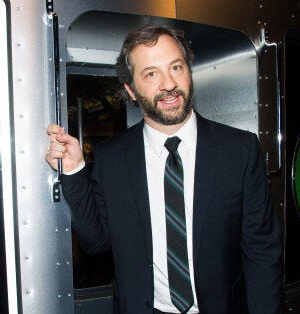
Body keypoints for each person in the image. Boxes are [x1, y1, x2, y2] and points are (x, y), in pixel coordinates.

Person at [46, 25, 282, 314]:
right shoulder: (112, 158)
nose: (169, 84)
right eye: (151, 73)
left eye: (176, 67)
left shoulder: (239, 150)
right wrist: (74, 171)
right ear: (131, 90)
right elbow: (96, 243)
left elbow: (261, 251)